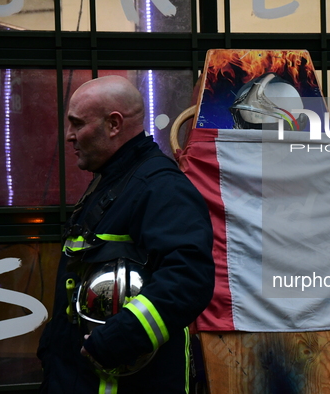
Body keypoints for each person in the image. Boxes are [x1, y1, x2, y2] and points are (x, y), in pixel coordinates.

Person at [37, 75, 215, 393]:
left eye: (77, 124)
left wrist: (116, 340)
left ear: (114, 124)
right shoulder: (113, 181)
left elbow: (189, 280)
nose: (69, 136)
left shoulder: (159, 187)